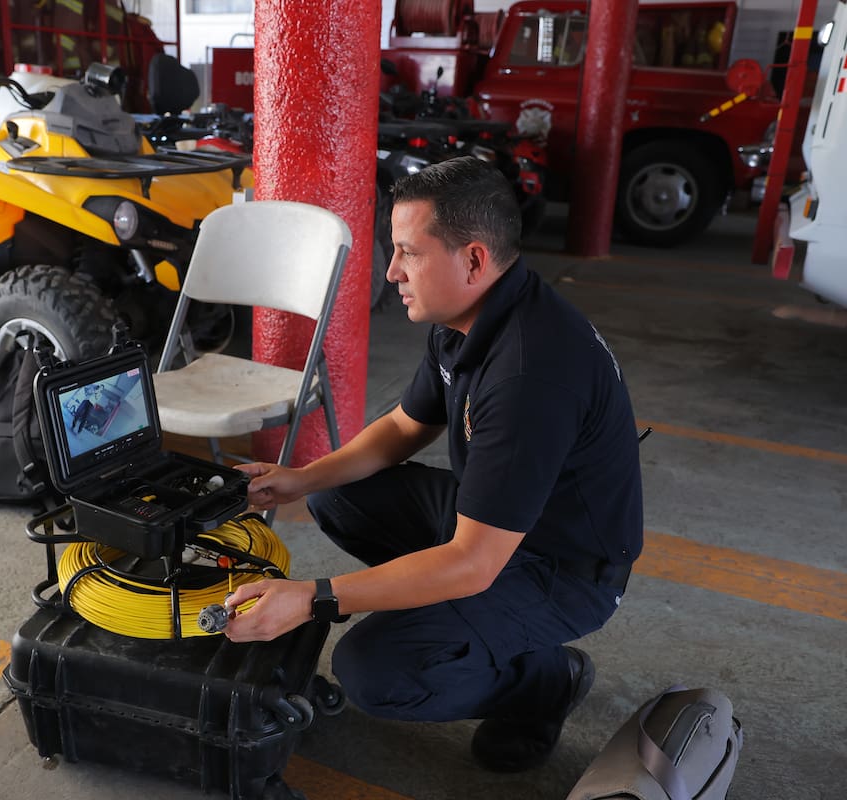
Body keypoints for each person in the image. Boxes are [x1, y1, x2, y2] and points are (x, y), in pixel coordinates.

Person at [224, 156, 643, 772]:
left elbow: (475, 561)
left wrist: (313, 598)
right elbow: (403, 426)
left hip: (562, 566)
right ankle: (462, 620)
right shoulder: (466, 317)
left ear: (473, 259)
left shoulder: (530, 372)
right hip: (499, 524)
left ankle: (544, 682)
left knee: (374, 670)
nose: (391, 271)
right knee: (336, 497)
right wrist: (302, 477)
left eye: (407, 253)